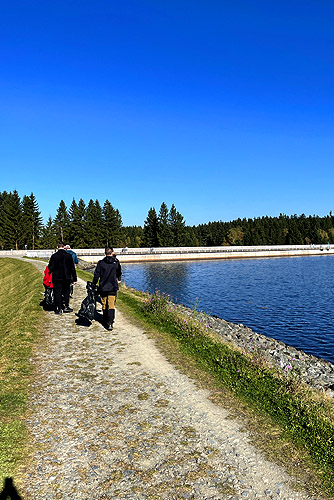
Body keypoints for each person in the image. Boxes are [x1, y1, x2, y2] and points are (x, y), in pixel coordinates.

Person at [92, 247, 121, 330]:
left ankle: (105, 319)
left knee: (104, 304)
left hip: (103, 287)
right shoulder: (116, 262)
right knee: (111, 304)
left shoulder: (101, 263)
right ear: (112, 252)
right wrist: (119, 279)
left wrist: (94, 284)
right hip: (112, 286)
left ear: (105, 253)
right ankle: (110, 322)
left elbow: (96, 275)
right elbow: (119, 272)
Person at [48, 242, 77, 315]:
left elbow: (50, 267)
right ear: (64, 247)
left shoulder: (54, 256)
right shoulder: (69, 256)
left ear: (57, 247)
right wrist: (74, 279)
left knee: (57, 293)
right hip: (66, 277)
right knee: (66, 292)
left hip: (57, 277)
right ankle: (66, 306)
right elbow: (72, 268)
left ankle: (59, 308)